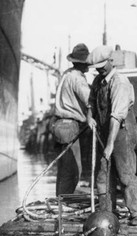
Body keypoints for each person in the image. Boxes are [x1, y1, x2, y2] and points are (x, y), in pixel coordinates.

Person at [86, 45, 137, 226]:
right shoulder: (98, 81)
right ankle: (107, 213)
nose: (99, 69)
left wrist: (110, 144)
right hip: (104, 130)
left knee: (125, 173)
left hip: (121, 130)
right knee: (103, 174)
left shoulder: (119, 82)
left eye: (102, 65)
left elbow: (116, 116)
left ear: (111, 61)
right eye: (96, 66)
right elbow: (91, 102)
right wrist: (90, 117)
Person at [53, 43, 91, 196]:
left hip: (59, 124)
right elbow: (90, 100)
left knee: (64, 169)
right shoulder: (78, 78)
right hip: (70, 125)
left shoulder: (67, 74)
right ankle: (64, 201)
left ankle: (60, 199)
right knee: (73, 170)